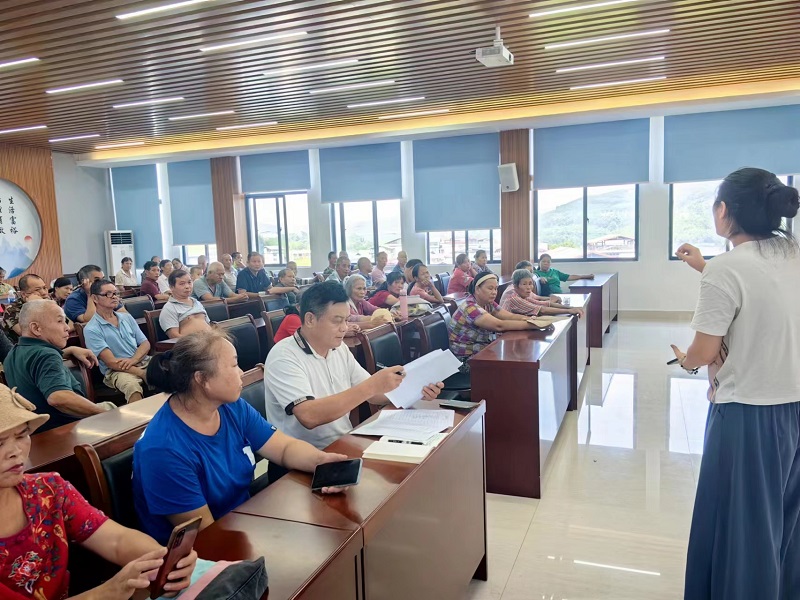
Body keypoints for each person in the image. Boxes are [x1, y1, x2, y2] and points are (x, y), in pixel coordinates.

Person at [668, 169, 800, 600]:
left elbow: (704, 351)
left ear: (724, 211)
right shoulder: (793, 254)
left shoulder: (726, 269)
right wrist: (704, 266)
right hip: (794, 404)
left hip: (748, 414)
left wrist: (687, 361)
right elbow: (763, 291)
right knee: (784, 521)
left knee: (742, 530)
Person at [133, 329, 351, 544]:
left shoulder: (232, 407)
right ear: (202, 379)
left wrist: (320, 461)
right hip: (203, 551)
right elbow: (206, 537)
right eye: (234, 365)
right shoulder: (163, 450)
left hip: (242, 523)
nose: (241, 372)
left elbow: (284, 448)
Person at [0, 386, 198, 600]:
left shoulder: (48, 490)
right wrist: (106, 593)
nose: (15, 452)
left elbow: (117, 540)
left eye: (22, 435)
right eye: (0, 443)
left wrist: (163, 562)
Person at [263, 282, 444, 471]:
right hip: (299, 461)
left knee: (411, 468)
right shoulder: (284, 356)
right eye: (337, 321)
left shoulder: (339, 348)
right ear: (310, 319)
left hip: (341, 444)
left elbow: (374, 395)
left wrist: (415, 391)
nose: (344, 328)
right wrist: (372, 385)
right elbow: (309, 415)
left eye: (346, 320)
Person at [4, 300, 114, 432]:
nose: (67, 327)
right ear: (36, 328)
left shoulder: (12, 354)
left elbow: (34, 362)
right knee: (113, 410)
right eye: (60, 321)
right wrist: (103, 414)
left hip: (38, 431)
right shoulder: (46, 355)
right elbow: (58, 397)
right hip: (69, 430)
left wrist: (69, 350)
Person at [448, 272, 544, 361]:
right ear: (477, 289)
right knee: (512, 359)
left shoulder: (487, 303)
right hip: (466, 358)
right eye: (490, 288)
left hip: (482, 348)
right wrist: (534, 325)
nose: (494, 292)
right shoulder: (470, 307)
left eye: (495, 288)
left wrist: (529, 319)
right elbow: (499, 325)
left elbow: (510, 316)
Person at [84, 280, 151, 404]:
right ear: (95, 298)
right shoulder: (91, 329)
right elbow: (110, 362)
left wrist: (134, 360)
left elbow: (145, 343)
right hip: (117, 371)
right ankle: (138, 417)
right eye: (108, 294)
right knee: (132, 386)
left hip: (141, 361)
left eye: (115, 293)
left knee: (172, 369)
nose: (114, 297)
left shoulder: (127, 317)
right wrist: (141, 373)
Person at [500, 269, 583, 318]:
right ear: (515, 286)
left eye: (530, 283)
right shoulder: (513, 298)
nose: (529, 287)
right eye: (524, 284)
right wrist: (569, 311)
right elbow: (542, 310)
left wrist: (571, 308)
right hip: (506, 335)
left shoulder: (523, 294)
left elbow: (542, 303)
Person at [2, 274, 55, 342]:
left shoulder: (48, 300)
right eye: (37, 290)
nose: (44, 293)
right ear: (24, 294)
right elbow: (28, 335)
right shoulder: (12, 309)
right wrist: (34, 306)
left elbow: (61, 324)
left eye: (44, 288)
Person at [160, 270, 211, 339]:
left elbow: (208, 324)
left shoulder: (197, 303)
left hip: (210, 339)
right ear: (172, 287)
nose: (187, 286)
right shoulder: (169, 308)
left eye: (189, 282)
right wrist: (196, 342)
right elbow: (174, 336)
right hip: (191, 343)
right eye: (182, 284)